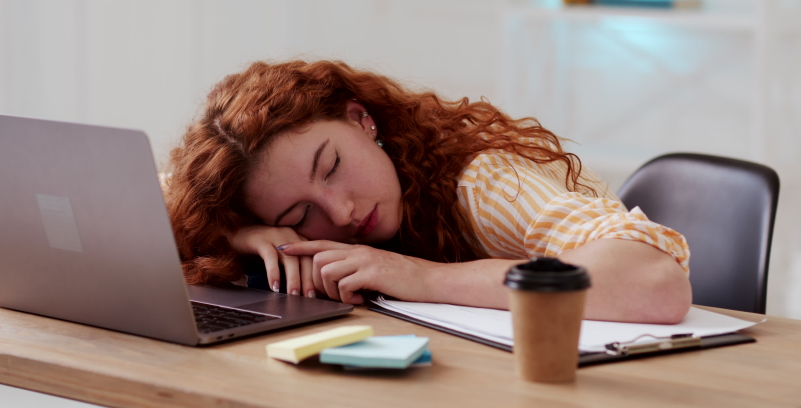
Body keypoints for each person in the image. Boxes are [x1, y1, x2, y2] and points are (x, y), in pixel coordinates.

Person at [164, 60, 691, 324]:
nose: (342, 211)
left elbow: (654, 281)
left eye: (332, 167)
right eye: (301, 213)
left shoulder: (487, 182)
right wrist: (235, 230)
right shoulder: (276, 225)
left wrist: (421, 277)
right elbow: (157, 199)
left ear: (361, 119)